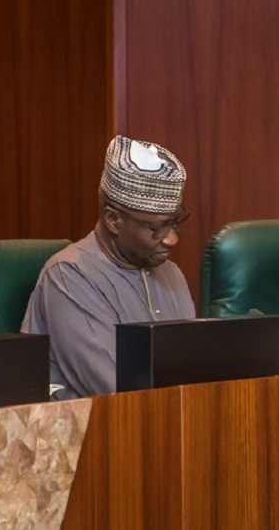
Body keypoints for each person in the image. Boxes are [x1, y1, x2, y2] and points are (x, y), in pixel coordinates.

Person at [21, 135, 196, 400]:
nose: (172, 238)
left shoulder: (171, 273)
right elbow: (116, 391)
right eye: (157, 228)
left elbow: (197, 377)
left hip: (169, 426)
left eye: (175, 223)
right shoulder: (69, 276)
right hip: (94, 435)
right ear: (113, 220)